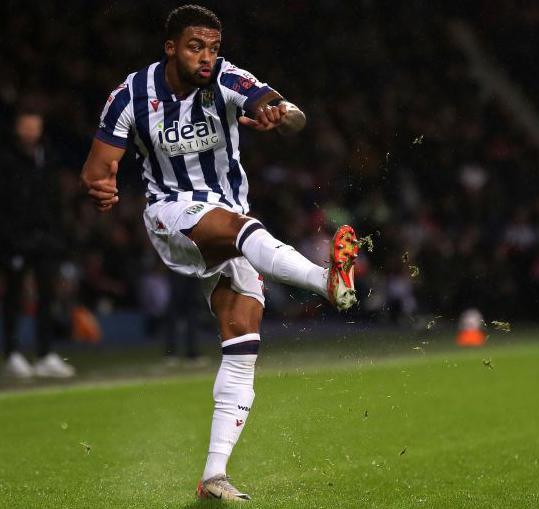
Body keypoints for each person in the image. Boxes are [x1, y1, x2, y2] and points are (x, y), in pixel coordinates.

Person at [80, 5, 358, 501]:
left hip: (229, 217)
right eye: (195, 47)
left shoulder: (228, 78)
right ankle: (325, 281)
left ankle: (214, 475)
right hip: (171, 214)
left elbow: (290, 113)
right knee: (241, 227)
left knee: (242, 343)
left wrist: (281, 114)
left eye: (213, 47)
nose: (207, 57)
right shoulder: (131, 96)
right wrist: (103, 188)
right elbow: (97, 168)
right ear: (170, 47)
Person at [0, 110, 76, 379]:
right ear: (17, 127)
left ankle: (44, 354)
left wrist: (57, 234)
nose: (31, 131)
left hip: (46, 238)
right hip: (16, 239)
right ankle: (12, 353)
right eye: (26, 125)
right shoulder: (7, 159)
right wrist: (9, 236)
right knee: (14, 296)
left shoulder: (48, 157)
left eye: (36, 126)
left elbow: (54, 199)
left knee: (47, 296)